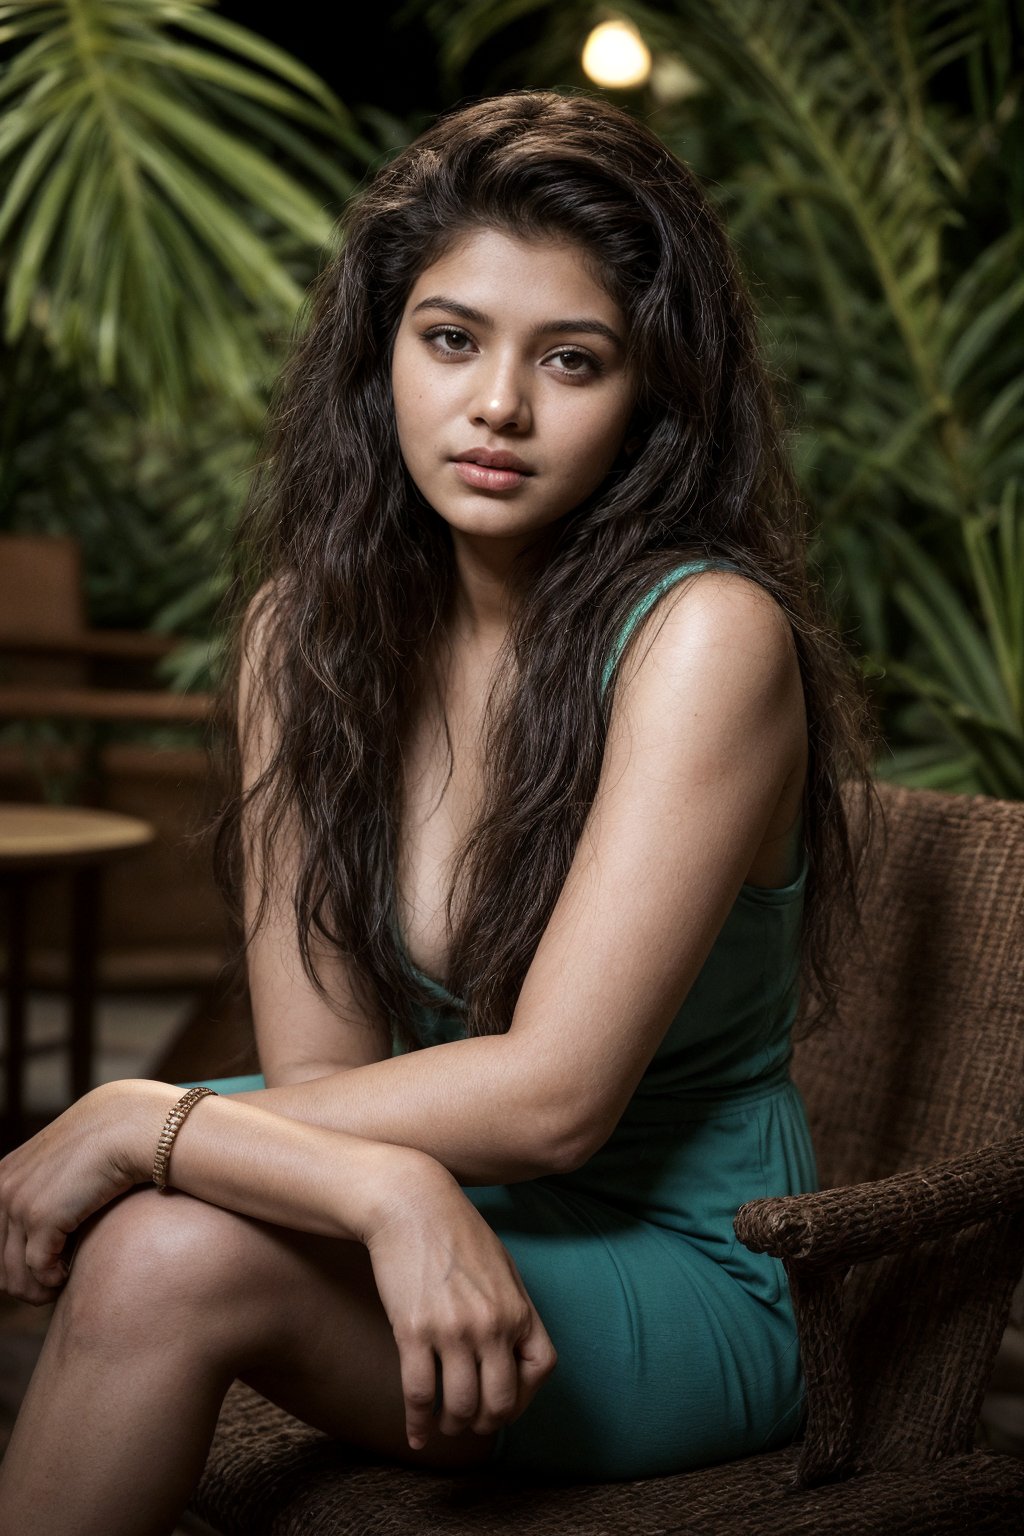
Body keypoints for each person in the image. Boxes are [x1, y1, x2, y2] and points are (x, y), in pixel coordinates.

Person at [0, 88, 879, 1532]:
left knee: (159, 1244)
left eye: (574, 359)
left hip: (696, 1271)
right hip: (441, 1219)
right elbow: (318, 1070)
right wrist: (388, 1200)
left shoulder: (705, 638)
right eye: (452, 338)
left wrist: (133, 1115)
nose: (497, 407)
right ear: (383, 350)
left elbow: (551, 1102)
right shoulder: (306, 634)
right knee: (163, 1228)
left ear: (653, 397)